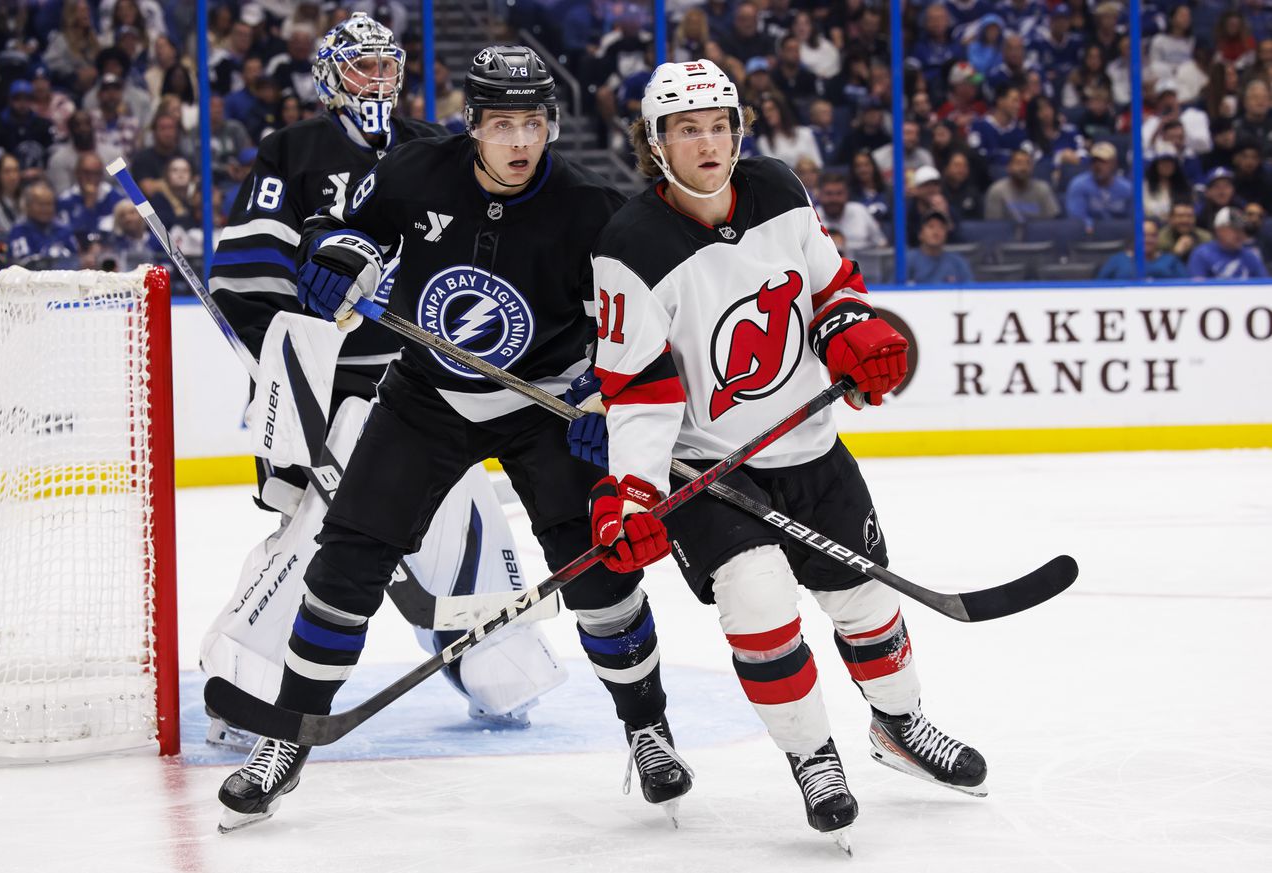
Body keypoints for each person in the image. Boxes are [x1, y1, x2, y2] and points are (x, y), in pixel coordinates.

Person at [216, 44, 687, 831]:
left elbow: (629, 333)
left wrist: (604, 404)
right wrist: (342, 259)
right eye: (501, 124)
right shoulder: (413, 172)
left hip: (544, 406)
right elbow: (360, 233)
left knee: (600, 572)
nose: (518, 142)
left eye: (533, 123)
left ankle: (648, 730)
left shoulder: (590, 210)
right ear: (472, 125)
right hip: (426, 397)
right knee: (344, 565)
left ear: (552, 124)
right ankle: (285, 738)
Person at [586, 57, 987, 840]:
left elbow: (831, 286)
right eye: (686, 129)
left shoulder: (776, 188)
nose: (708, 143)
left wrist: (853, 331)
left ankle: (899, 726)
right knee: (762, 606)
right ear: (655, 142)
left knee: (867, 602)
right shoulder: (628, 244)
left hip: (811, 447)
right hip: (709, 473)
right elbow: (638, 391)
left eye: (719, 125)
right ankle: (814, 758)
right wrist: (632, 492)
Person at [204, 13, 563, 758]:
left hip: (421, 387)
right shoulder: (292, 152)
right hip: (327, 389)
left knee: (463, 515)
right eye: (362, 68)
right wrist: (295, 364)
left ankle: (501, 671)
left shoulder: (435, 148)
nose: (379, 81)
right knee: (319, 539)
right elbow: (244, 281)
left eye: (387, 67)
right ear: (331, 75)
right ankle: (245, 688)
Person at [1065, 141, 1131, 232]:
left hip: (1120, 236)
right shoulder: (1079, 185)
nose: (1098, 165)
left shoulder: (1126, 188)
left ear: (1114, 163)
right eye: (1094, 161)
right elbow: (1077, 219)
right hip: (1089, 237)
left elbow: (1133, 220)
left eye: (1103, 161)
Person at [1188, 207, 1269, 278]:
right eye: (1235, 229)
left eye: (1242, 229)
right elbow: (1198, 288)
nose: (1240, 234)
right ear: (1219, 230)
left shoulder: (1250, 256)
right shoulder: (1202, 254)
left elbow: (1263, 285)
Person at [984, 147, 1060, 221]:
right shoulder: (997, 190)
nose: (1023, 168)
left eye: (1027, 163)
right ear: (1009, 167)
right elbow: (994, 227)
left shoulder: (1043, 189)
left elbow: (1051, 225)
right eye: (1018, 163)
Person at [1096, 219, 1187, 280]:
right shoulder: (1117, 261)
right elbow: (1097, 289)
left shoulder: (1171, 261)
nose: (1148, 240)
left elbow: (1187, 287)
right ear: (1134, 237)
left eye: (1153, 235)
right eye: (1143, 235)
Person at [907, 210, 975, 283]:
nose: (936, 232)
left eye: (941, 227)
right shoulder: (908, 261)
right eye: (931, 226)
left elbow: (971, 291)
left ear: (946, 234)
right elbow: (896, 291)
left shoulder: (958, 263)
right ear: (920, 234)